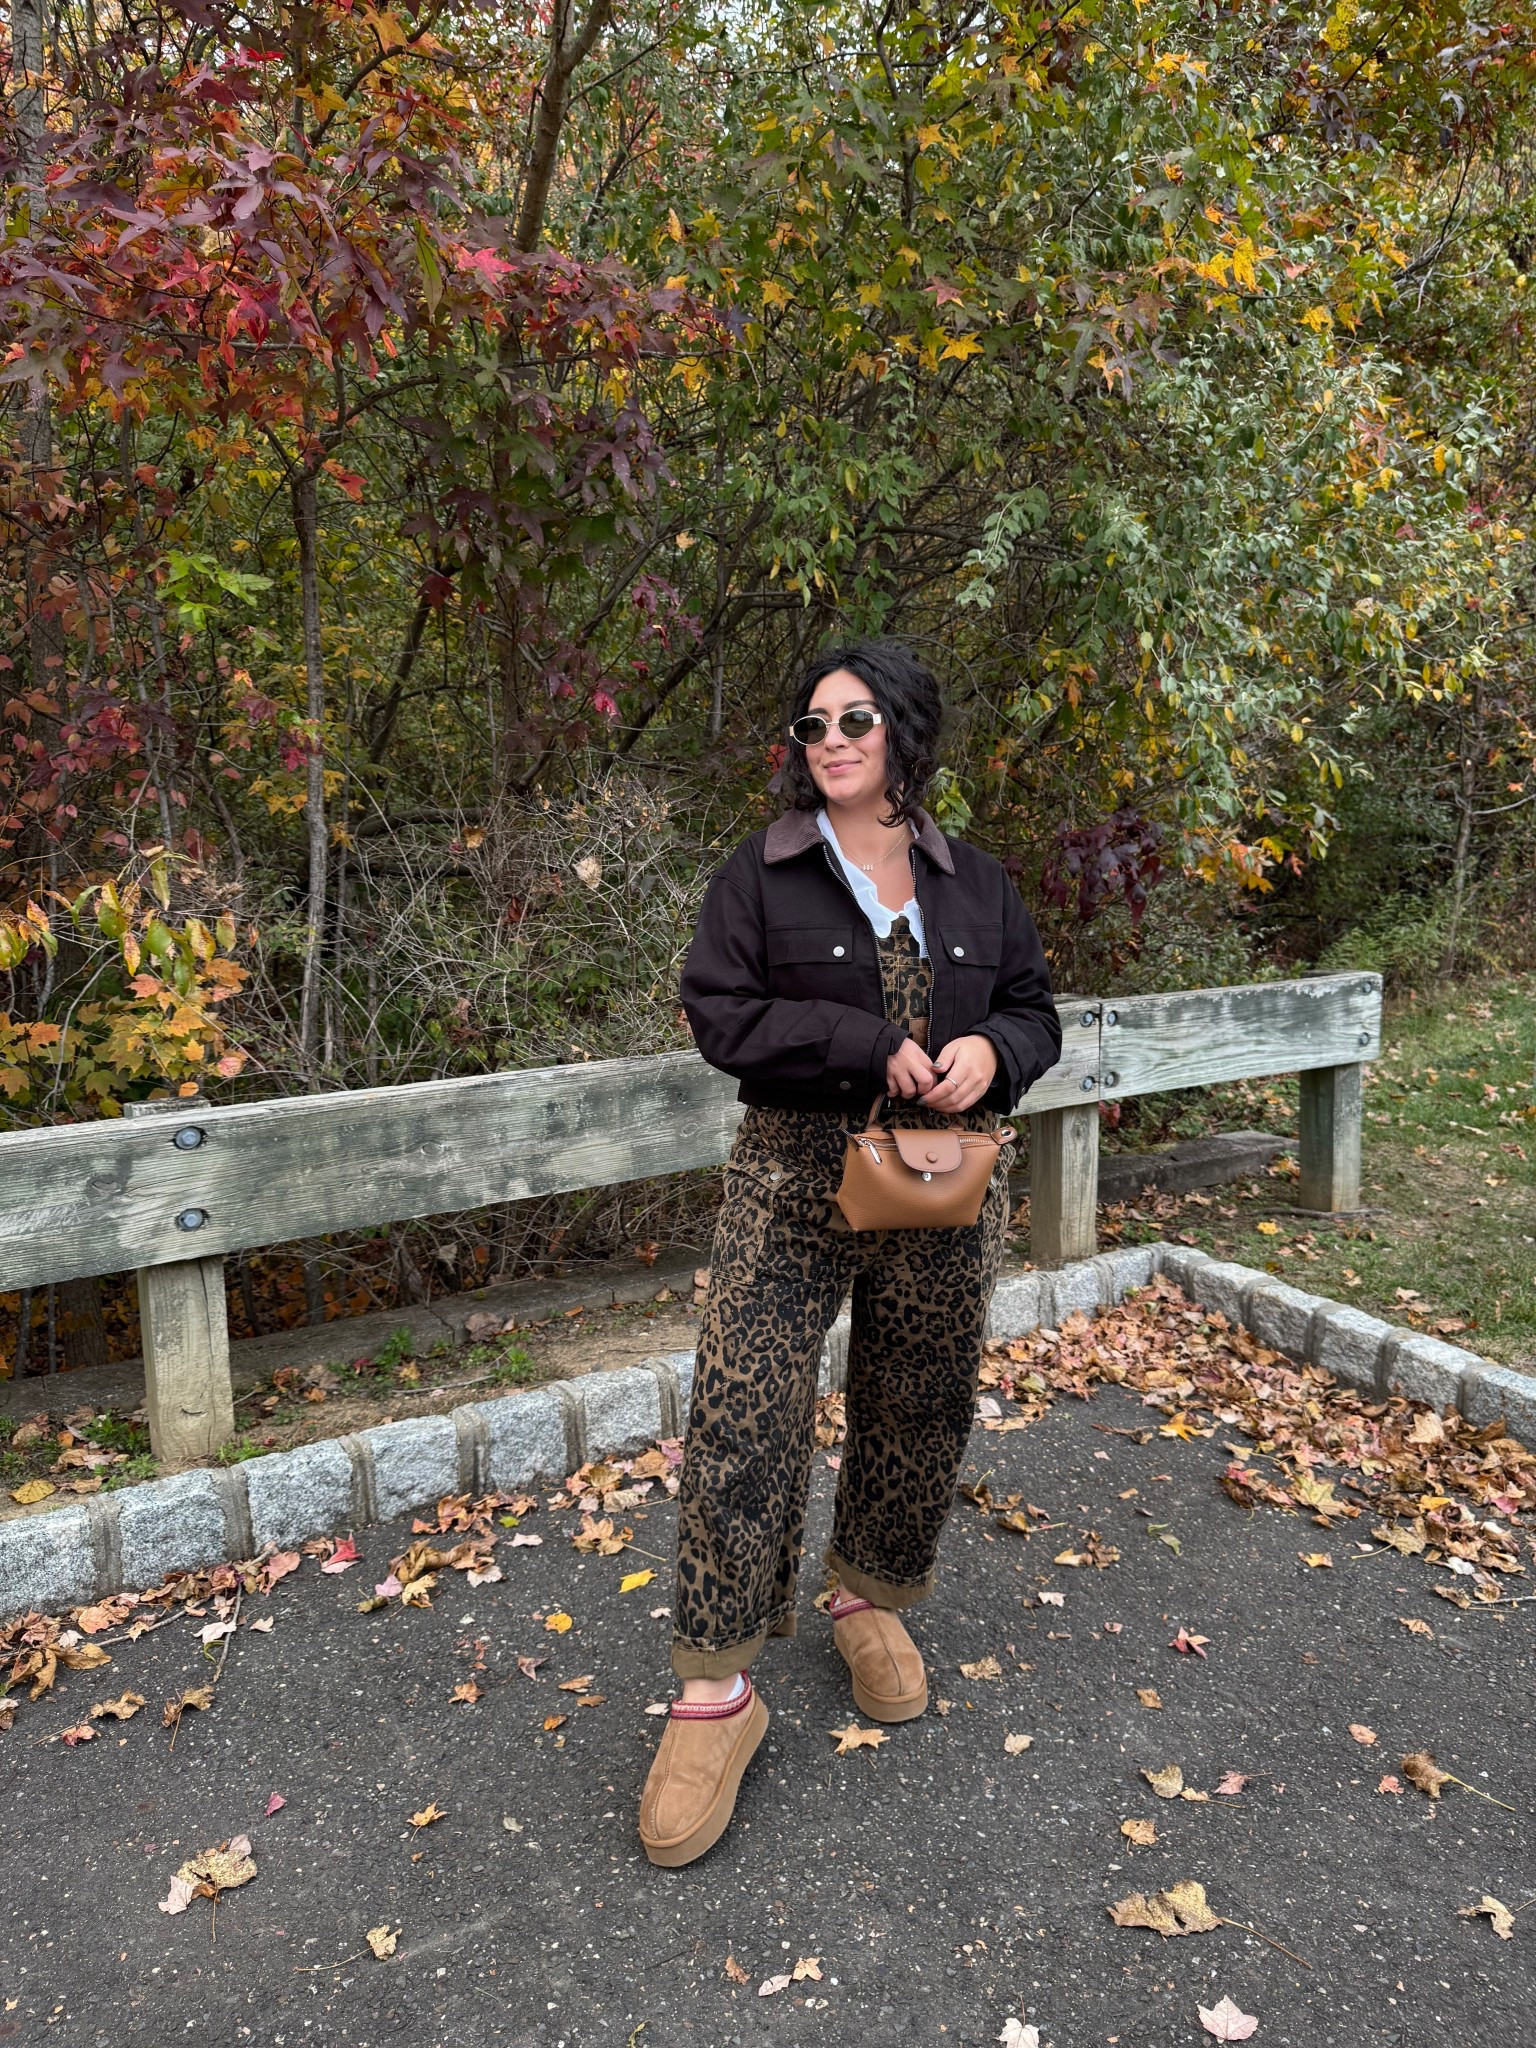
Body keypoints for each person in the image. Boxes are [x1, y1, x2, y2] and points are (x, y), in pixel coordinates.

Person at [637, 638, 1062, 1866]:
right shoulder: (760, 873)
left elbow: (1033, 1007)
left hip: (941, 1178)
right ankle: (716, 1688)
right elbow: (721, 1014)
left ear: (905, 733)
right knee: (742, 1411)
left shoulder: (977, 883)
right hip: (790, 1176)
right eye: (813, 723)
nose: (829, 739)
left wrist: (995, 1053)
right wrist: (861, 1041)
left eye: (856, 719)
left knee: (919, 1395)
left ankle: (867, 1593)